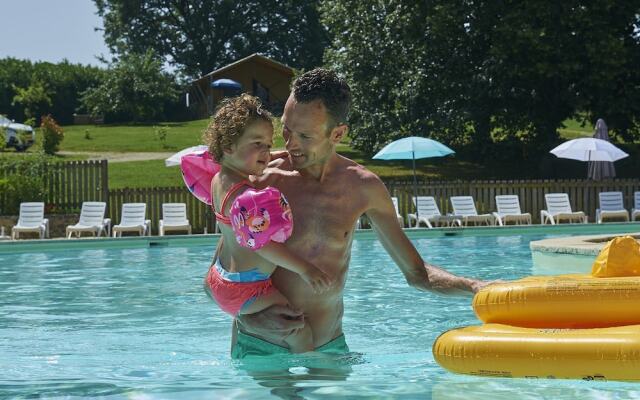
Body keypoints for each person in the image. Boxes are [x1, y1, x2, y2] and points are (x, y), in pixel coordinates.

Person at [224, 68, 495, 359]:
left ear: (338, 133)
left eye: (304, 135)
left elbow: (417, 274)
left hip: (329, 348)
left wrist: (475, 286)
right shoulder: (261, 180)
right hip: (261, 345)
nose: (290, 144)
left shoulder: (364, 188)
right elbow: (216, 278)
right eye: (286, 129)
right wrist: (248, 318)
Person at [202, 94, 334, 353]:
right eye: (258, 144)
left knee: (257, 329)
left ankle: (239, 356)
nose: (267, 152)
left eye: (268, 144)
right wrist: (305, 270)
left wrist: (269, 154)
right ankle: (296, 388)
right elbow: (261, 246)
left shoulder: (221, 180)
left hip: (220, 277)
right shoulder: (244, 197)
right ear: (229, 147)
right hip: (248, 286)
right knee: (298, 330)